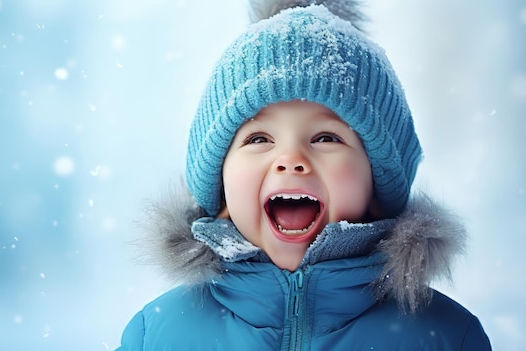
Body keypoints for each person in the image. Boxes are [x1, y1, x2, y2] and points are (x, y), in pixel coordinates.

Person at [116, 0, 492, 349]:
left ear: (376, 184)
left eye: (326, 137)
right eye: (259, 138)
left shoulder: (443, 336)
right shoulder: (159, 334)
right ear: (221, 191)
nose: (291, 159)